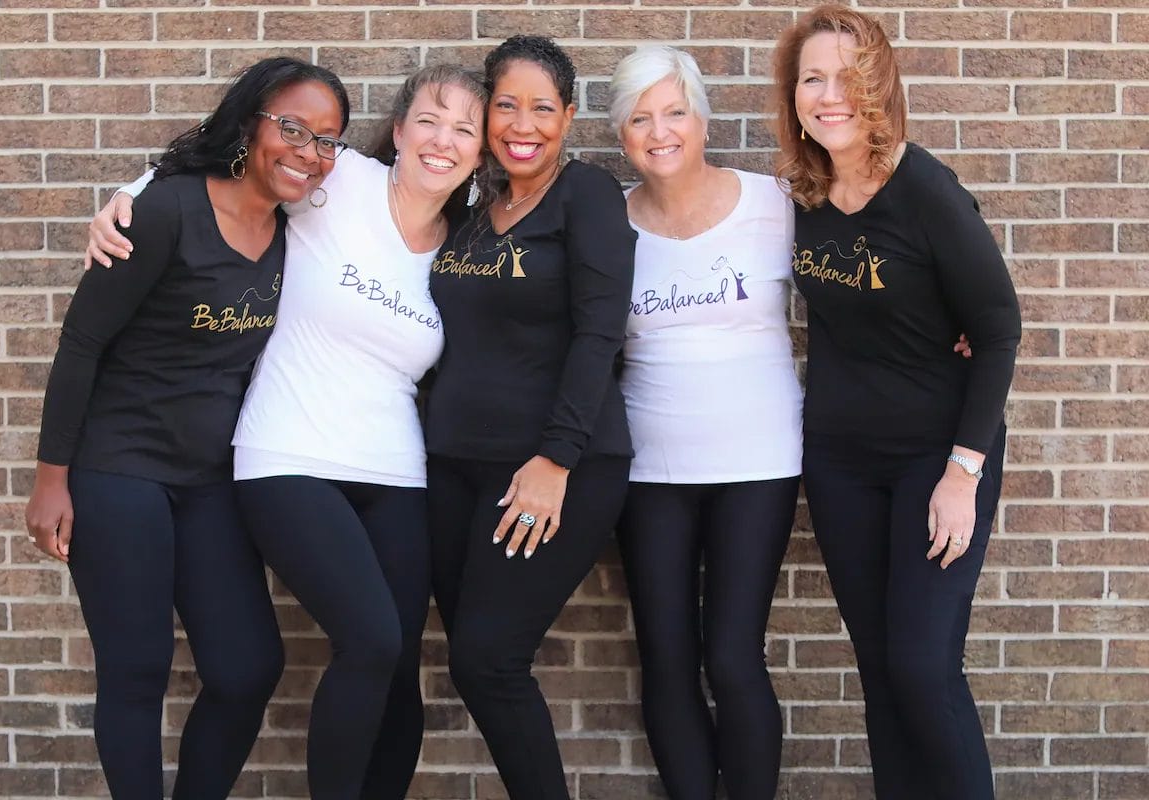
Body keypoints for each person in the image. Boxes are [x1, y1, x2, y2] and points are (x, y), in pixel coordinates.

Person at [83, 65, 488, 800]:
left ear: (480, 154)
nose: (443, 141)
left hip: (395, 470)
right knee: (370, 640)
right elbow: (230, 165)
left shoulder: (465, 246)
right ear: (399, 132)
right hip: (288, 454)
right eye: (430, 120)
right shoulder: (342, 180)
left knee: (399, 667)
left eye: (465, 129)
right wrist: (131, 194)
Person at [26, 57, 351, 799]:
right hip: (119, 469)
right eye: (292, 128)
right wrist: (51, 480)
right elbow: (81, 343)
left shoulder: (296, 232)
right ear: (249, 125)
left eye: (327, 140)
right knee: (137, 669)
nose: (308, 152)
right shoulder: (167, 212)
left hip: (211, 480)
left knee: (247, 667)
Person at [773, 7, 1021, 799]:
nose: (829, 95)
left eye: (848, 78)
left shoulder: (926, 191)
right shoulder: (803, 197)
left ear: (880, 87)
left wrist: (962, 473)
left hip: (935, 460)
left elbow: (998, 330)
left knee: (921, 664)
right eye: (813, 79)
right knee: (880, 667)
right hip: (841, 464)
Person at [424, 35, 636, 800]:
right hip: (454, 466)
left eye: (542, 108)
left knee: (488, 661)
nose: (523, 125)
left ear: (568, 117)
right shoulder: (471, 208)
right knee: (474, 660)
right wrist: (149, 189)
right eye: (506, 106)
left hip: (552, 467)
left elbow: (600, 333)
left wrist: (556, 459)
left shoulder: (588, 196)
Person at [606, 45, 802, 800]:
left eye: (674, 112)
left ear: (703, 120)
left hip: (759, 464)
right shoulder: (608, 224)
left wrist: (949, 320)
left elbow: (876, 246)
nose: (659, 132)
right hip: (650, 471)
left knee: (731, 656)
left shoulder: (774, 203)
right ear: (621, 134)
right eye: (639, 119)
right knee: (666, 658)